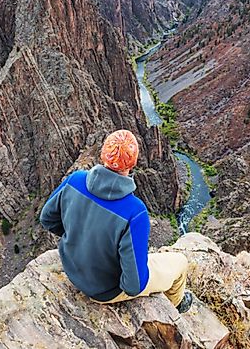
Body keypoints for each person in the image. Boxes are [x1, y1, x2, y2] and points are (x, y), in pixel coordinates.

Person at [40, 129, 193, 313]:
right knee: (180, 262)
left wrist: (77, 237)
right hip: (104, 290)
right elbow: (133, 286)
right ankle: (176, 306)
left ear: (103, 153)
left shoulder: (75, 180)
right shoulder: (135, 212)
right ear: (133, 162)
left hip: (71, 267)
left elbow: (47, 218)